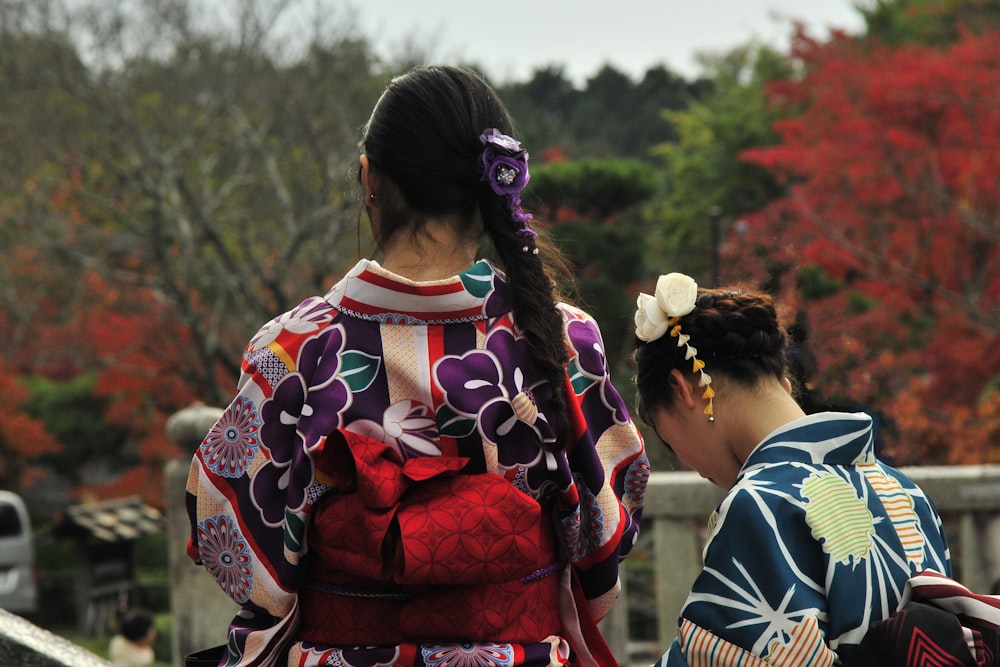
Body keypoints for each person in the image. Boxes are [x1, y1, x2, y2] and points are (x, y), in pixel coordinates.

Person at [185, 65, 648, 667]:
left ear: (370, 178)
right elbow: (605, 538)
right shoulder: (560, 341)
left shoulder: (295, 350)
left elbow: (234, 543)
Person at [631, 272, 951, 666]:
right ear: (783, 384)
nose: (692, 468)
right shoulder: (906, 491)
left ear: (684, 389)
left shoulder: (761, 503)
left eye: (669, 438)